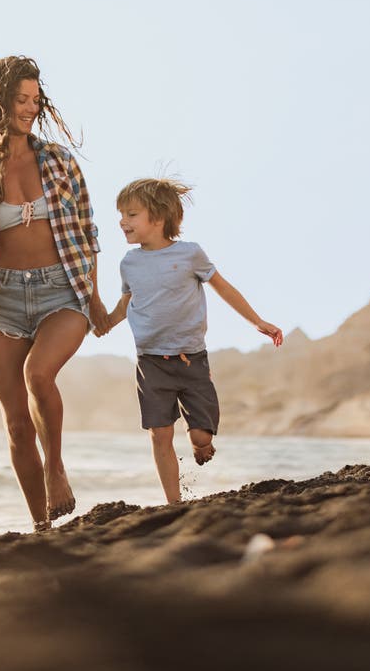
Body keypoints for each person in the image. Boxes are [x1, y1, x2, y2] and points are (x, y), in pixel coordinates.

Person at [0, 56, 110, 530]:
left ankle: (56, 467)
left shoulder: (58, 161)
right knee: (17, 424)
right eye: (21, 100)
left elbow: (85, 231)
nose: (31, 109)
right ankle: (41, 527)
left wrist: (94, 299)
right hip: (4, 300)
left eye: (36, 100)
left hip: (63, 290)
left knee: (40, 374)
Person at [106, 177, 282, 504]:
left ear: (157, 218)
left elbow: (223, 287)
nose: (122, 221)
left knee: (200, 436)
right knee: (160, 434)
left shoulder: (190, 255)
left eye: (131, 214)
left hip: (192, 360)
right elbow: (126, 302)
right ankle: (174, 503)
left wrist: (257, 321)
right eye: (121, 215)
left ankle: (202, 444)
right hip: (150, 361)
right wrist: (104, 322)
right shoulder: (129, 263)